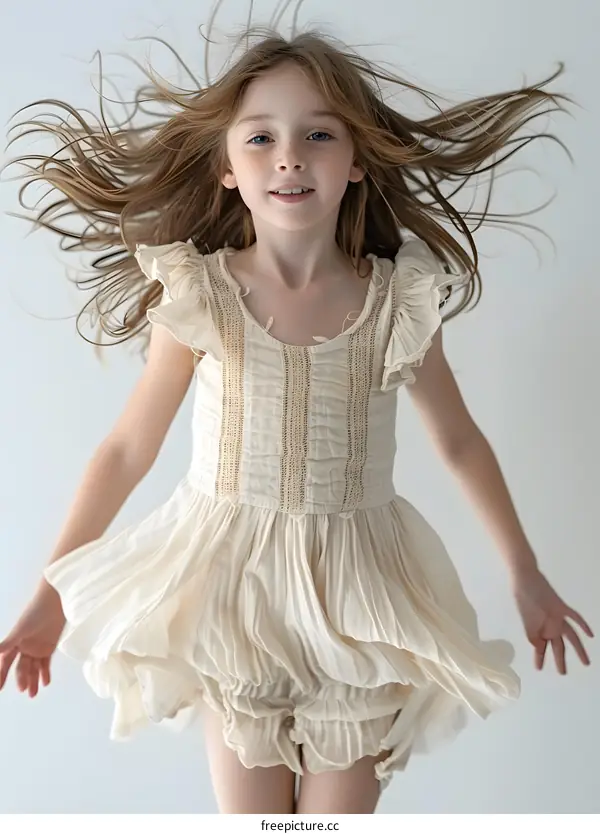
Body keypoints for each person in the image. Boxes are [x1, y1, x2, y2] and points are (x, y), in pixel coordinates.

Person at [0, 9, 593, 816]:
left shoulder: (396, 301)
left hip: (361, 593)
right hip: (231, 590)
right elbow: (125, 450)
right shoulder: (203, 293)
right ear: (224, 167)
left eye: (318, 135)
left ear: (355, 161)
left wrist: (525, 575)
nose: (289, 156)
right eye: (261, 138)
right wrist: (49, 593)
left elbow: (458, 442)